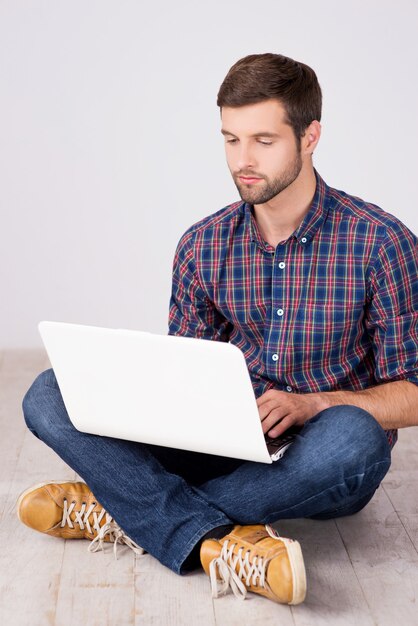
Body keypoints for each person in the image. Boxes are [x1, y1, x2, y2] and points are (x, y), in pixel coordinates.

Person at [18, 52, 418, 606]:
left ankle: (124, 506)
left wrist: (316, 404)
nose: (243, 160)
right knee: (48, 391)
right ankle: (208, 537)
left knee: (354, 438)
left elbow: (413, 393)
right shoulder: (201, 245)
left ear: (310, 136)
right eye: (230, 139)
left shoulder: (382, 242)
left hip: (316, 453)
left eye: (263, 140)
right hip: (217, 442)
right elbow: (183, 382)